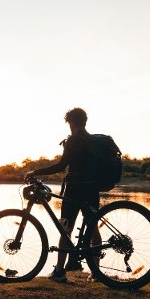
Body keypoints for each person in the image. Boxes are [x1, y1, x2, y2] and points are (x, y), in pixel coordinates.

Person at [25, 107, 99, 282]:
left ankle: (59, 271)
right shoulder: (92, 140)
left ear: (71, 122)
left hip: (75, 188)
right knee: (93, 228)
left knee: (65, 228)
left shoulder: (74, 140)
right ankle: (97, 273)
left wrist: (36, 172)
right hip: (91, 188)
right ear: (85, 121)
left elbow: (61, 166)